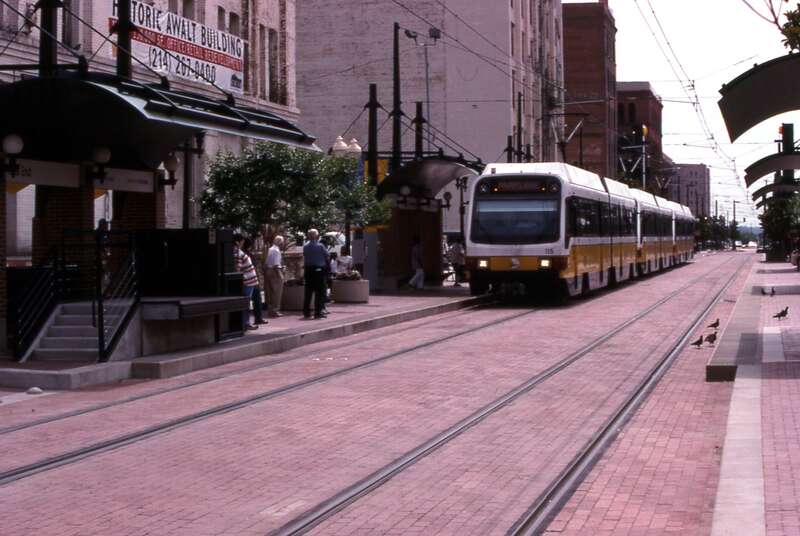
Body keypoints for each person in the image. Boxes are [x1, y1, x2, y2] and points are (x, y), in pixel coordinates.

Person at [234, 233, 259, 330]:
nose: (243, 243)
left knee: (247, 302)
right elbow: (237, 268)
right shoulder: (237, 252)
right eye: (242, 241)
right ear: (238, 242)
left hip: (249, 281)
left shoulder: (238, 251)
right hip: (247, 281)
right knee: (246, 303)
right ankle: (246, 323)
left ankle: (246, 322)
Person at [303, 228, 329, 319]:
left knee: (308, 292)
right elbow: (327, 255)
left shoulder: (305, 246)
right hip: (319, 271)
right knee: (320, 292)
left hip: (308, 270)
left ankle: (306, 312)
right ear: (316, 236)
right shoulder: (320, 246)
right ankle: (318, 312)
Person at [243, 238, 267, 325]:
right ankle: (255, 319)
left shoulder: (247, 254)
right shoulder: (246, 254)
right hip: (250, 280)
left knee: (255, 299)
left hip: (250, 279)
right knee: (255, 299)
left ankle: (258, 318)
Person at [264, 235, 285, 318]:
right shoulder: (276, 251)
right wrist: (281, 275)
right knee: (277, 292)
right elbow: (276, 264)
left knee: (269, 292)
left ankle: (270, 310)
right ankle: (275, 310)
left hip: (268, 270)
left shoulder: (270, 249)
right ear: (280, 242)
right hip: (275, 271)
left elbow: (266, 262)